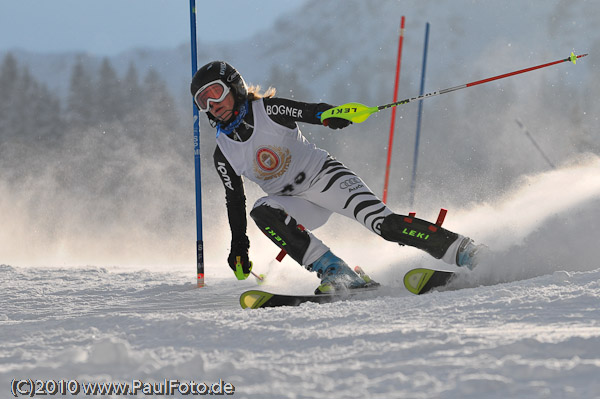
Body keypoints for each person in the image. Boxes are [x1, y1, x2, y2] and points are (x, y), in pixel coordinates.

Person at [191, 61, 483, 294]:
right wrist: (239, 244)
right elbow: (235, 200)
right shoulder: (224, 153)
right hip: (292, 202)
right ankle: (335, 271)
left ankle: (466, 251)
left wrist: (330, 115)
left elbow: (310, 111)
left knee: (385, 225)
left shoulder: (267, 109)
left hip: (326, 178)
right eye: (202, 101)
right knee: (261, 210)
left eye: (214, 93)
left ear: (234, 86)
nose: (211, 105)